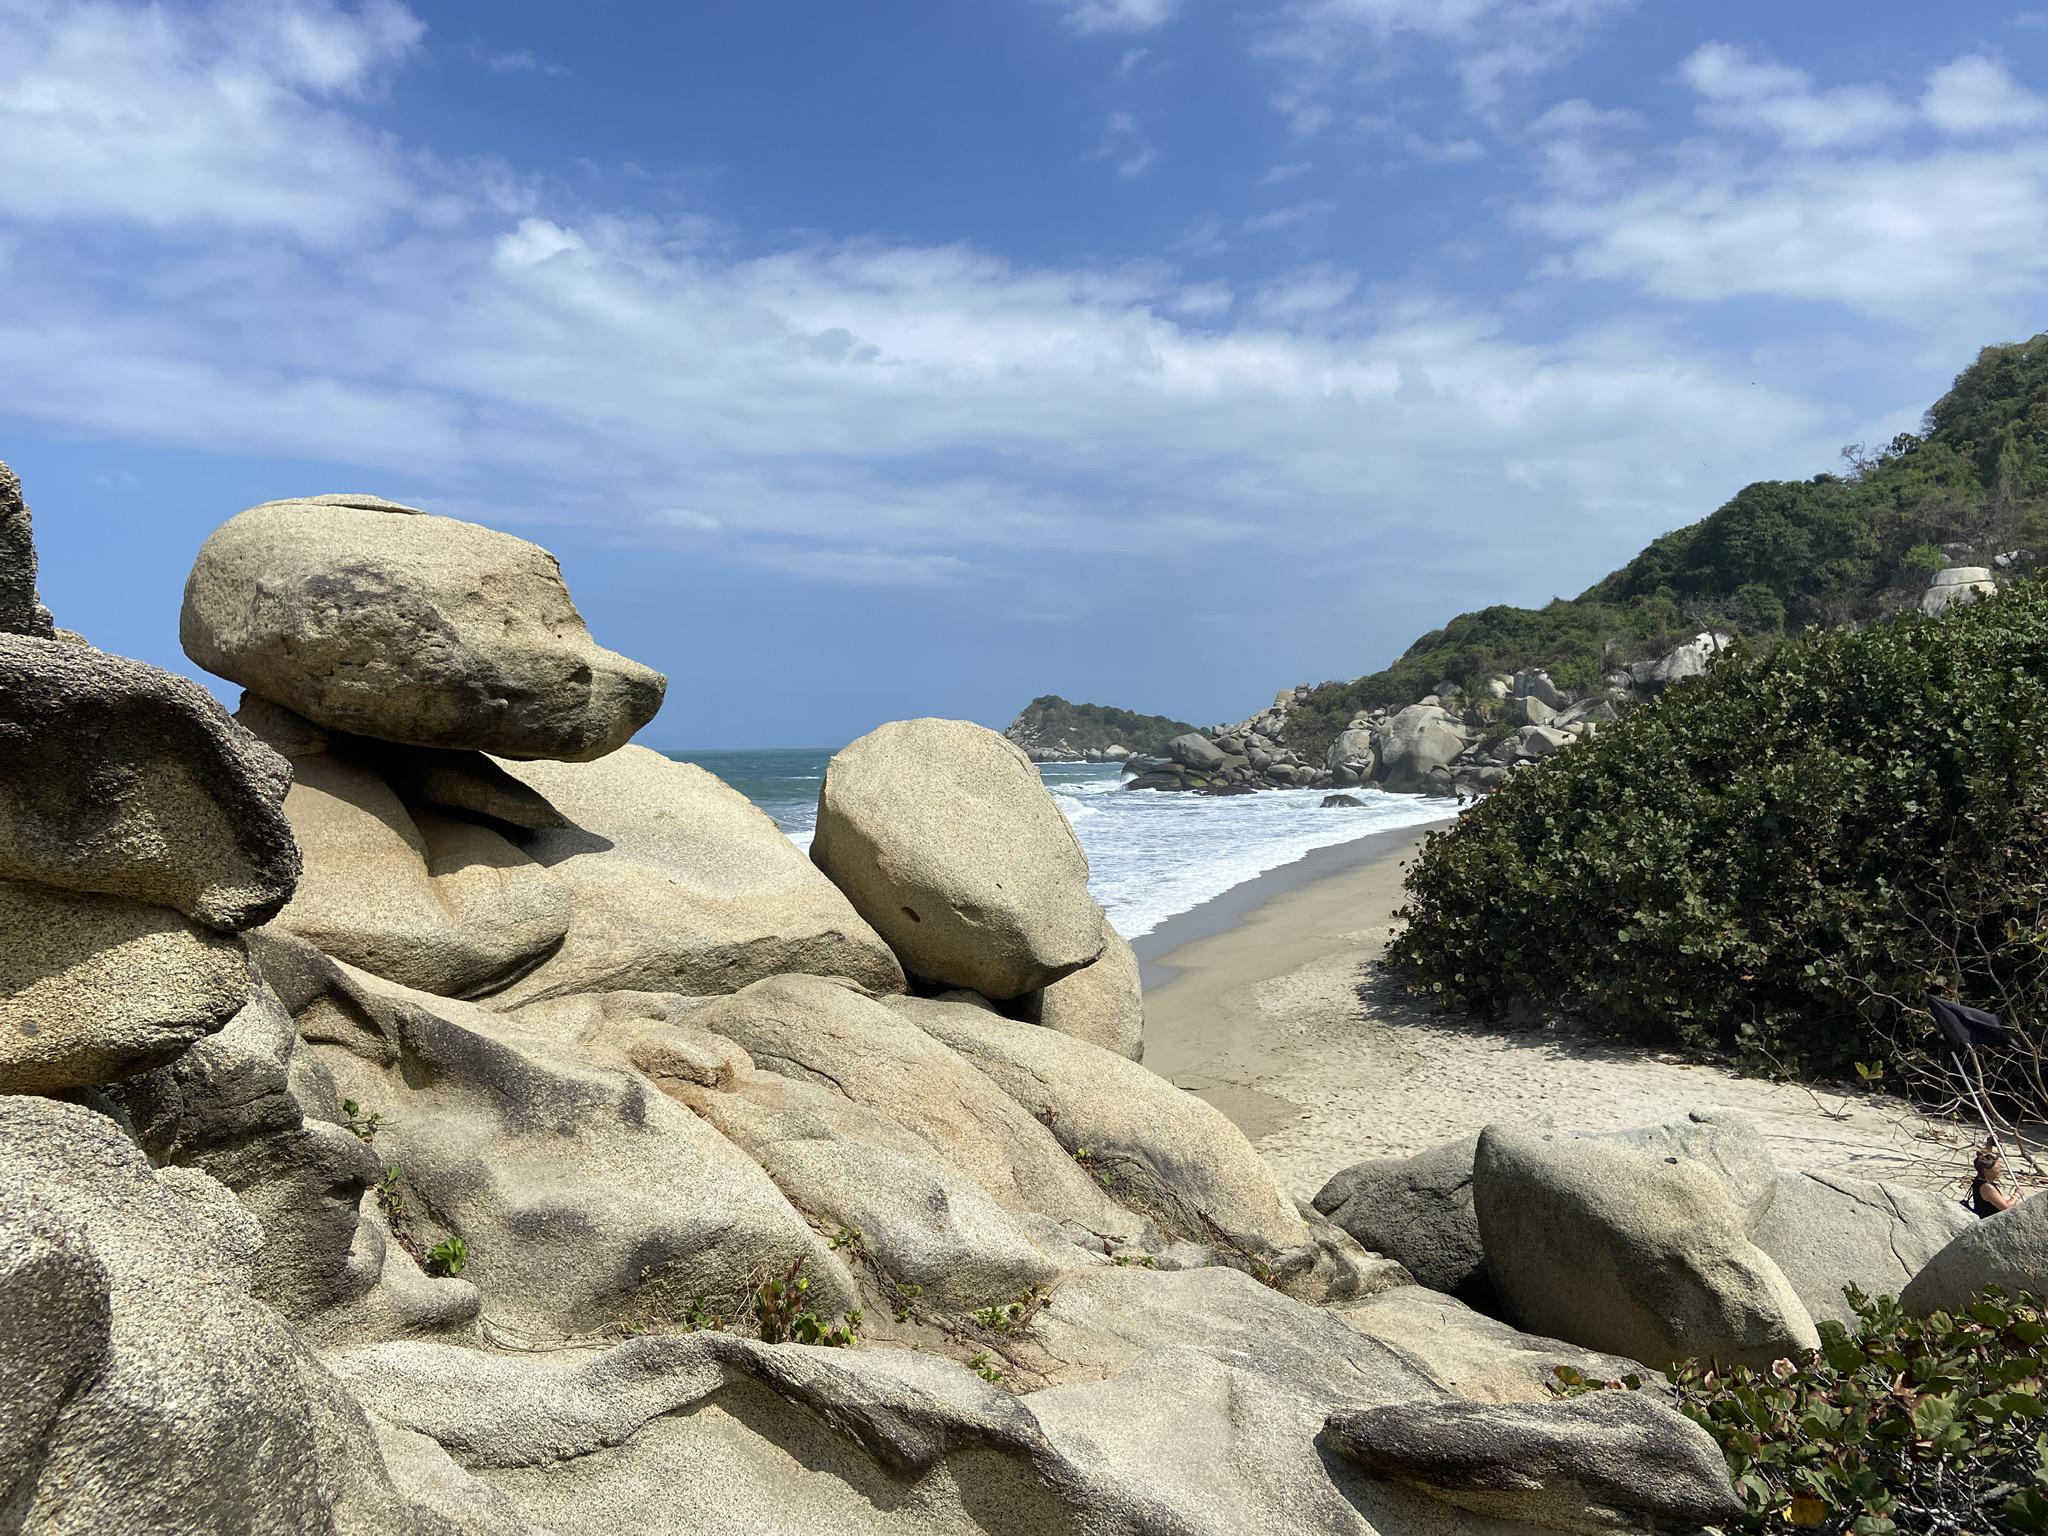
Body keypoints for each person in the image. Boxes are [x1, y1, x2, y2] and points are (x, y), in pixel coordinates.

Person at [1971, 1139, 2019, 1217]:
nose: (2000, 1170)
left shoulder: (1981, 1178)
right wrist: (2016, 1195)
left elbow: (1986, 1153)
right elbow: (2006, 1207)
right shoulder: (1987, 1187)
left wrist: (1991, 1141)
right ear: (1986, 1171)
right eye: (1997, 1168)